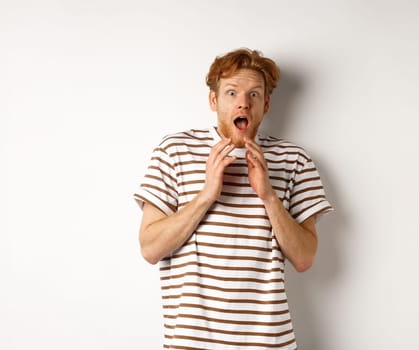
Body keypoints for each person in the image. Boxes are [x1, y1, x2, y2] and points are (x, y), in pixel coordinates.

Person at [133, 48, 333, 349]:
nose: (243, 102)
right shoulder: (174, 151)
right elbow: (150, 248)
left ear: (266, 105)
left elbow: (305, 258)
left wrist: (268, 196)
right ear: (214, 101)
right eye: (231, 93)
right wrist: (206, 194)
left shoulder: (294, 160)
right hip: (192, 343)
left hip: (269, 343)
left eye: (254, 95)